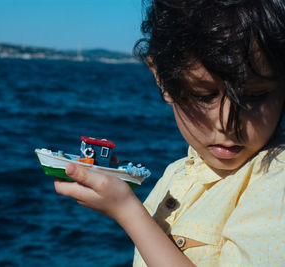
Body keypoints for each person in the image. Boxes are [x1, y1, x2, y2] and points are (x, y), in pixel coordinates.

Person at [54, 0, 285, 266]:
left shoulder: (278, 183)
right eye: (204, 95)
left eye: (255, 96)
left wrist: (126, 210)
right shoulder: (177, 173)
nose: (228, 123)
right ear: (162, 79)